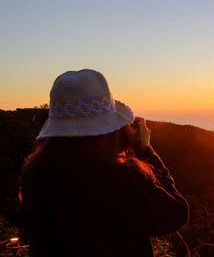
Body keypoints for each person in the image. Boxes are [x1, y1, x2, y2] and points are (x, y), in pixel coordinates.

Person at [19, 69, 189, 257]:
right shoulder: (120, 179)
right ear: (109, 128)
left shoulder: (36, 174)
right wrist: (145, 151)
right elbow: (177, 213)